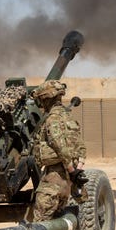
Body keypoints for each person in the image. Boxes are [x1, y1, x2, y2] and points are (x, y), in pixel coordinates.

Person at [31, 80, 88, 222]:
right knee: (58, 219)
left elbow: (60, 146)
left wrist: (71, 171)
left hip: (55, 179)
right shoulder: (68, 117)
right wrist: (77, 170)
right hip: (67, 182)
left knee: (41, 223)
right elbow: (81, 147)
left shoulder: (52, 119)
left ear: (46, 99)